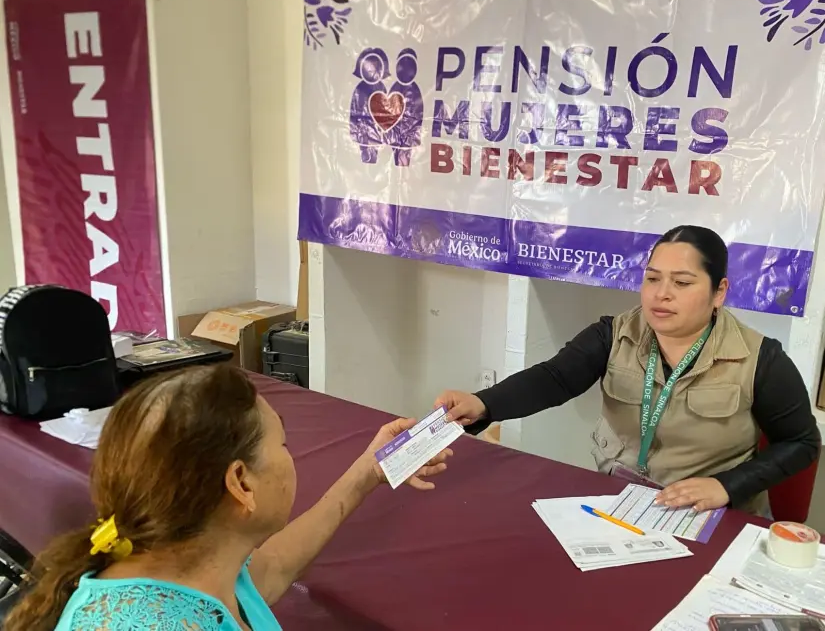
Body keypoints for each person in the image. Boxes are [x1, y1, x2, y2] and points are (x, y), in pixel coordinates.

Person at [6, 364, 452, 631]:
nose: (288, 455)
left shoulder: (189, 560)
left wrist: (368, 471)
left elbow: (270, 569)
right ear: (240, 483)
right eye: (282, 444)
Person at [435, 225, 820, 514]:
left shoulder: (760, 359)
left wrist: (727, 486)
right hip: (620, 503)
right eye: (652, 278)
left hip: (707, 514)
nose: (661, 293)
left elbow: (801, 443)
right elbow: (553, 379)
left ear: (719, 291)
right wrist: (482, 402)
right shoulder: (614, 334)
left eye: (682, 283)